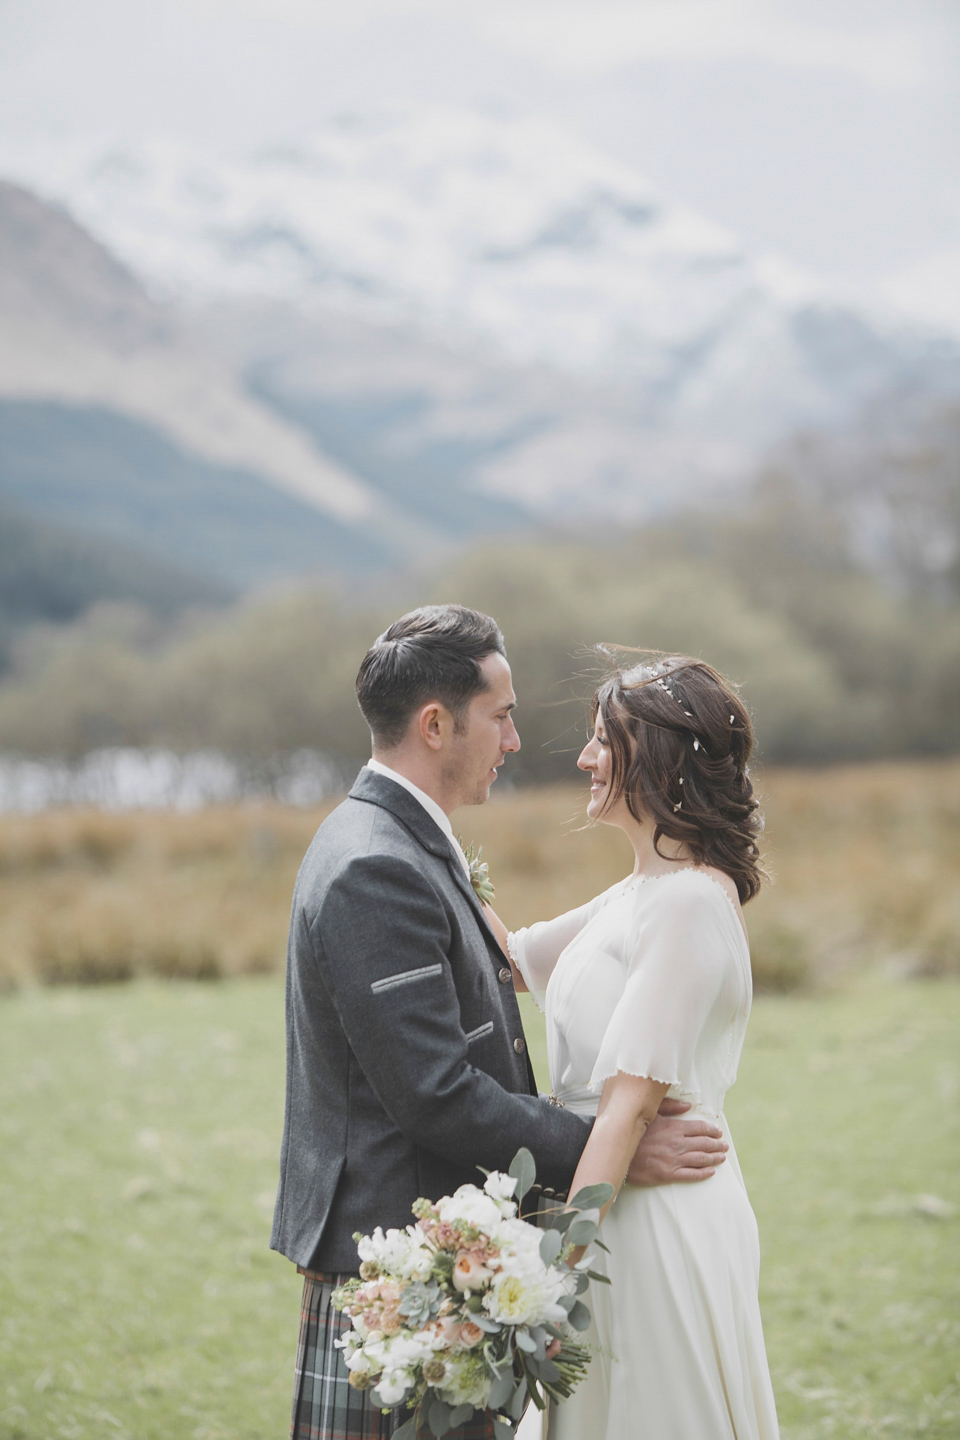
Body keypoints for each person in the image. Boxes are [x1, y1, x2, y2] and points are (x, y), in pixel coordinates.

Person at [271, 608, 731, 1440]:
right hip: (394, 1261)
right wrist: (604, 1147)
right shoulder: (377, 862)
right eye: (504, 715)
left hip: (445, 1254)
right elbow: (435, 1092)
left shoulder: (403, 842)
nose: (517, 742)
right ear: (436, 724)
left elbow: (512, 958)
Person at [486, 652, 780, 1440]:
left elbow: (624, 1113)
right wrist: (422, 844)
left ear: (657, 758)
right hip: (607, 1207)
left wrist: (556, 1279)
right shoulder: (640, 891)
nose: (583, 758)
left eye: (601, 741)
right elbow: (510, 959)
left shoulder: (686, 904)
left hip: (650, 1224)